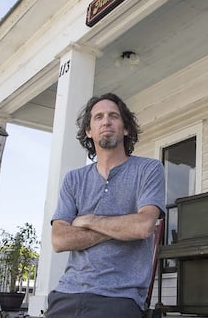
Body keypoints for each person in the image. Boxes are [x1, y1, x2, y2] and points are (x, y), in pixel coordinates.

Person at [45, 93, 165, 318]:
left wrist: (88, 221)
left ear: (126, 128)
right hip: (67, 292)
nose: (106, 121)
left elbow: (143, 227)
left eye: (114, 116)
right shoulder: (74, 179)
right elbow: (60, 240)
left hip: (120, 296)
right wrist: (122, 226)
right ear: (89, 131)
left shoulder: (148, 170)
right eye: (98, 117)